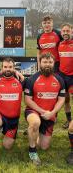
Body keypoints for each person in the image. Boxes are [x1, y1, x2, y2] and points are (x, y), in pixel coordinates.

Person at [24, 53, 65, 165]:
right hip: (34, 112)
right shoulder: (32, 79)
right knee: (35, 122)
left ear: (53, 64)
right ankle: (32, 151)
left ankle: (33, 130)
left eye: (50, 62)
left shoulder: (59, 80)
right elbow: (28, 100)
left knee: (44, 147)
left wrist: (52, 113)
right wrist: (42, 112)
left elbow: (61, 100)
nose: (47, 64)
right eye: (45, 62)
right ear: (40, 63)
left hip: (50, 115)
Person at [0, 57, 24, 163]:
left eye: (10, 67)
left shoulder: (21, 80)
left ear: (14, 68)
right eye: (5, 67)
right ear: (1, 68)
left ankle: (9, 131)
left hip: (13, 119)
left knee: (7, 146)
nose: (7, 69)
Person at [57, 23, 73, 164]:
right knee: (66, 100)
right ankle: (69, 121)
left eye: (68, 30)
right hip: (63, 76)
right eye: (64, 31)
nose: (66, 32)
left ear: (71, 31)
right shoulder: (60, 44)